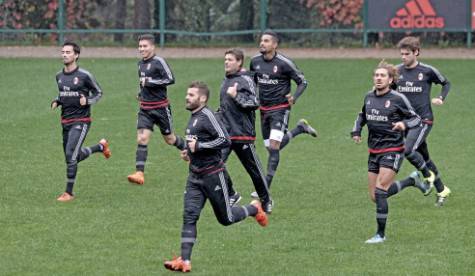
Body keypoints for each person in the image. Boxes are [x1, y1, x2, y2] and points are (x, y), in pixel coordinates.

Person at [163, 81, 268, 273]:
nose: (187, 97)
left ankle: (254, 209)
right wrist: (189, 152)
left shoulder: (208, 116)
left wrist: (200, 148)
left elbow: (224, 140)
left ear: (202, 99)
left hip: (213, 176)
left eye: (192, 95)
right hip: (194, 177)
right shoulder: (194, 117)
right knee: (189, 216)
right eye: (187, 94)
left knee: (226, 219)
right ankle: (185, 260)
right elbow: (197, 143)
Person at [351, 61, 426, 244]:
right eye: (376, 75)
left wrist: (404, 124)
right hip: (374, 150)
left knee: (381, 189)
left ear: (390, 80)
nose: (378, 78)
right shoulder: (368, 96)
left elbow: (416, 119)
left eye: (382, 75)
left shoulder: (398, 99)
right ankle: (411, 181)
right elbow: (362, 115)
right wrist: (356, 130)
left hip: (393, 149)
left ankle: (380, 235)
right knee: (375, 196)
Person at [250, 30, 317, 196]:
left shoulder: (284, 63)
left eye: (266, 41)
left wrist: (294, 97)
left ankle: (264, 188)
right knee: (272, 147)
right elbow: (251, 83)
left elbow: (302, 82)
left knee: (273, 147)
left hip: (280, 109)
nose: (262, 43)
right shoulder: (254, 62)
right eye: (261, 41)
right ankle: (299, 129)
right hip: (263, 110)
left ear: (274, 44)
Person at [51, 41, 111, 202]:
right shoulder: (59, 76)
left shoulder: (84, 75)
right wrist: (57, 101)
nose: (64, 54)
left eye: (68, 52)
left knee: (71, 156)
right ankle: (100, 147)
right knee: (72, 157)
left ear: (76, 55)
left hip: (81, 120)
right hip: (65, 121)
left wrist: (89, 101)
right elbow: (64, 93)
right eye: (62, 52)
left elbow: (98, 92)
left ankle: (68, 193)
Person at [396, 36, 451, 207]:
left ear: (416, 52)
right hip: (406, 123)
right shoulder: (397, 71)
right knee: (425, 157)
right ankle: (442, 190)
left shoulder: (427, 71)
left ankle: (428, 177)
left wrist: (441, 98)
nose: (403, 57)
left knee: (408, 150)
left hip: (423, 120)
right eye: (401, 54)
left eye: (407, 54)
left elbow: (446, 83)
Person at [217, 48, 272, 213]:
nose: (226, 62)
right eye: (225, 59)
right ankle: (232, 193)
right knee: (215, 163)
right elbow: (224, 108)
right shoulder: (225, 81)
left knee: (254, 171)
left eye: (230, 59)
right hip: (226, 134)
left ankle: (266, 199)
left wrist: (236, 96)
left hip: (242, 134)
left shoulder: (245, 80)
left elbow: (254, 103)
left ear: (239, 62)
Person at [127, 34, 186, 185]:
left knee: (170, 139)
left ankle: (191, 150)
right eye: (140, 46)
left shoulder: (159, 62)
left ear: (153, 47)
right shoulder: (140, 64)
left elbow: (170, 79)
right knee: (142, 138)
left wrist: (151, 82)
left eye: (145, 46)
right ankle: (139, 173)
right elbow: (143, 84)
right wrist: (141, 93)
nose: (142, 49)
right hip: (145, 109)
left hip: (161, 108)